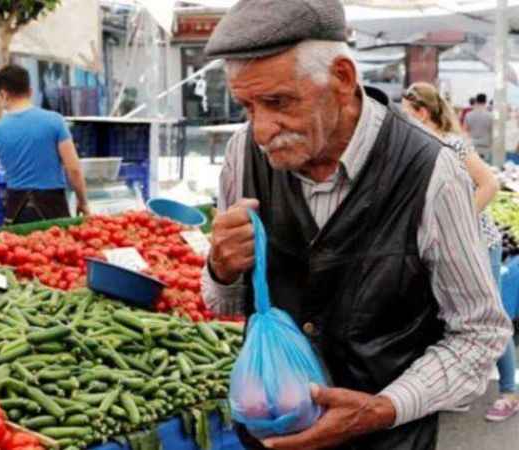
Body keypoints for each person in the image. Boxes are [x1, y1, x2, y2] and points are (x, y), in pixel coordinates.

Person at [202, 1, 512, 449]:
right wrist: (221, 267)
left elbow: (480, 333)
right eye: (247, 106)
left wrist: (384, 408)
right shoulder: (242, 154)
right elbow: (224, 305)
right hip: (272, 435)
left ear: (343, 79)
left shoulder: (430, 172)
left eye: (278, 102)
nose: (263, 129)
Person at [402, 82, 518, 421]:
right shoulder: (419, 148)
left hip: (481, 244)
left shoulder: (451, 144)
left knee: (488, 314)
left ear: (423, 113)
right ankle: (460, 387)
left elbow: (490, 184)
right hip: (448, 248)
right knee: (453, 315)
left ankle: (509, 391)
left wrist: (459, 224)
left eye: (408, 115)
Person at [0, 64, 89, 224]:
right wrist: (83, 202)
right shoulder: (55, 121)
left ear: (3, 94)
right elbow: (73, 169)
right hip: (54, 209)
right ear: (30, 91)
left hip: (17, 212)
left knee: (21, 248)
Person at [464, 93, 494, 163]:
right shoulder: (490, 116)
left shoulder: (468, 115)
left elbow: (465, 131)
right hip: (486, 146)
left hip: (472, 146)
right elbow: (492, 132)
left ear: (476, 101)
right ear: (485, 102)